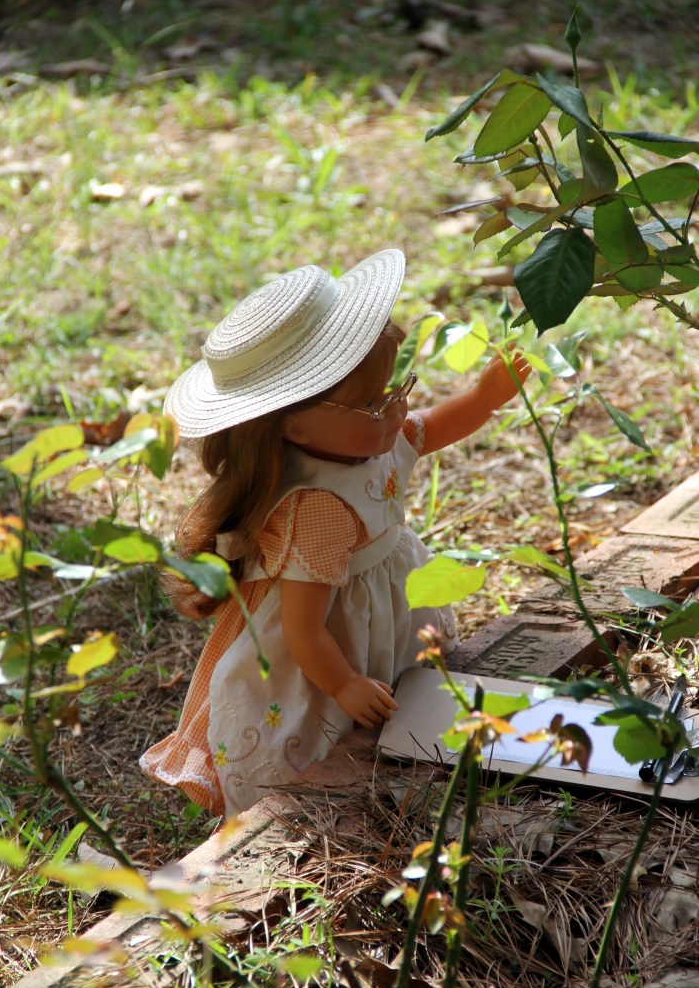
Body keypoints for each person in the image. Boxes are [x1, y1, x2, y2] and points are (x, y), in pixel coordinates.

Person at [140, 249, 529, 817]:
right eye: (373, 403)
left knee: (401, 686)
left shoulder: (372, 439)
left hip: (380, 607)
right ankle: (315, 794)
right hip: (331, 642)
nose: (396, 409)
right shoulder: (317, 507)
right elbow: (303, 629)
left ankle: (398, 740)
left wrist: (486, 398)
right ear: (294, 424)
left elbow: (431, 426)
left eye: (395, 389)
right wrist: (344, 682)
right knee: (323, 725)